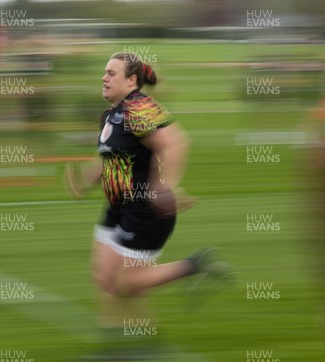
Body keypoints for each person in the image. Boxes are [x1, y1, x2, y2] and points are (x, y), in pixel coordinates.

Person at [66, 52, 232, 359]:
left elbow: (177, 142)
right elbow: (111, 159)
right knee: (104, 277)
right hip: (118, 208)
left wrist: (165, 185)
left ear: (131, 81)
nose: (104, 77)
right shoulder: (111, 113)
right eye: (104, 72)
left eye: (111, 73)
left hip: (145, 211)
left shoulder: (138, 107)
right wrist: (86, 181)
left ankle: (195, 265)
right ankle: (132, 346)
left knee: (127, 283)